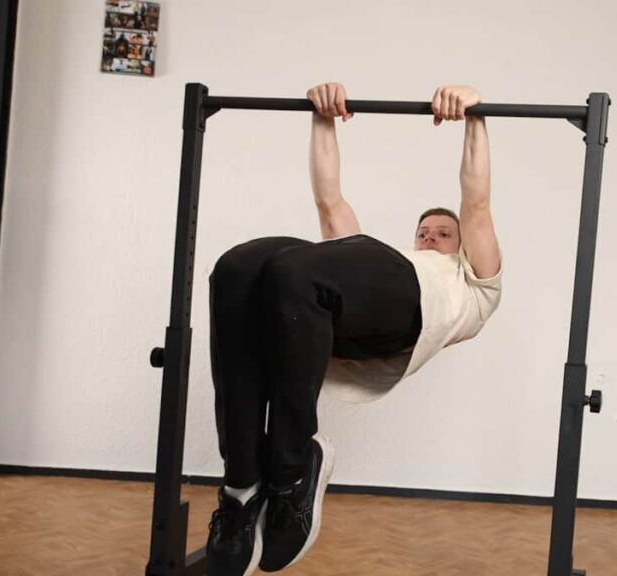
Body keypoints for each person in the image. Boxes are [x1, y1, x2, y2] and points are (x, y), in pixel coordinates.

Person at [204, 82, 502, 575]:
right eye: (423, 231)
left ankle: (291, 469)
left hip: (409, 317)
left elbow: (477, 204)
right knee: (239, 270)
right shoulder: (376, 266)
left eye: (442, 234)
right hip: (352, 317)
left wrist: (476, 115)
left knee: (297, 270)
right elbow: (329, 201)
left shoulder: (474, 280)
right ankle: (242, 484)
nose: (430, 237)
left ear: (463, 245)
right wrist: (322, 116)